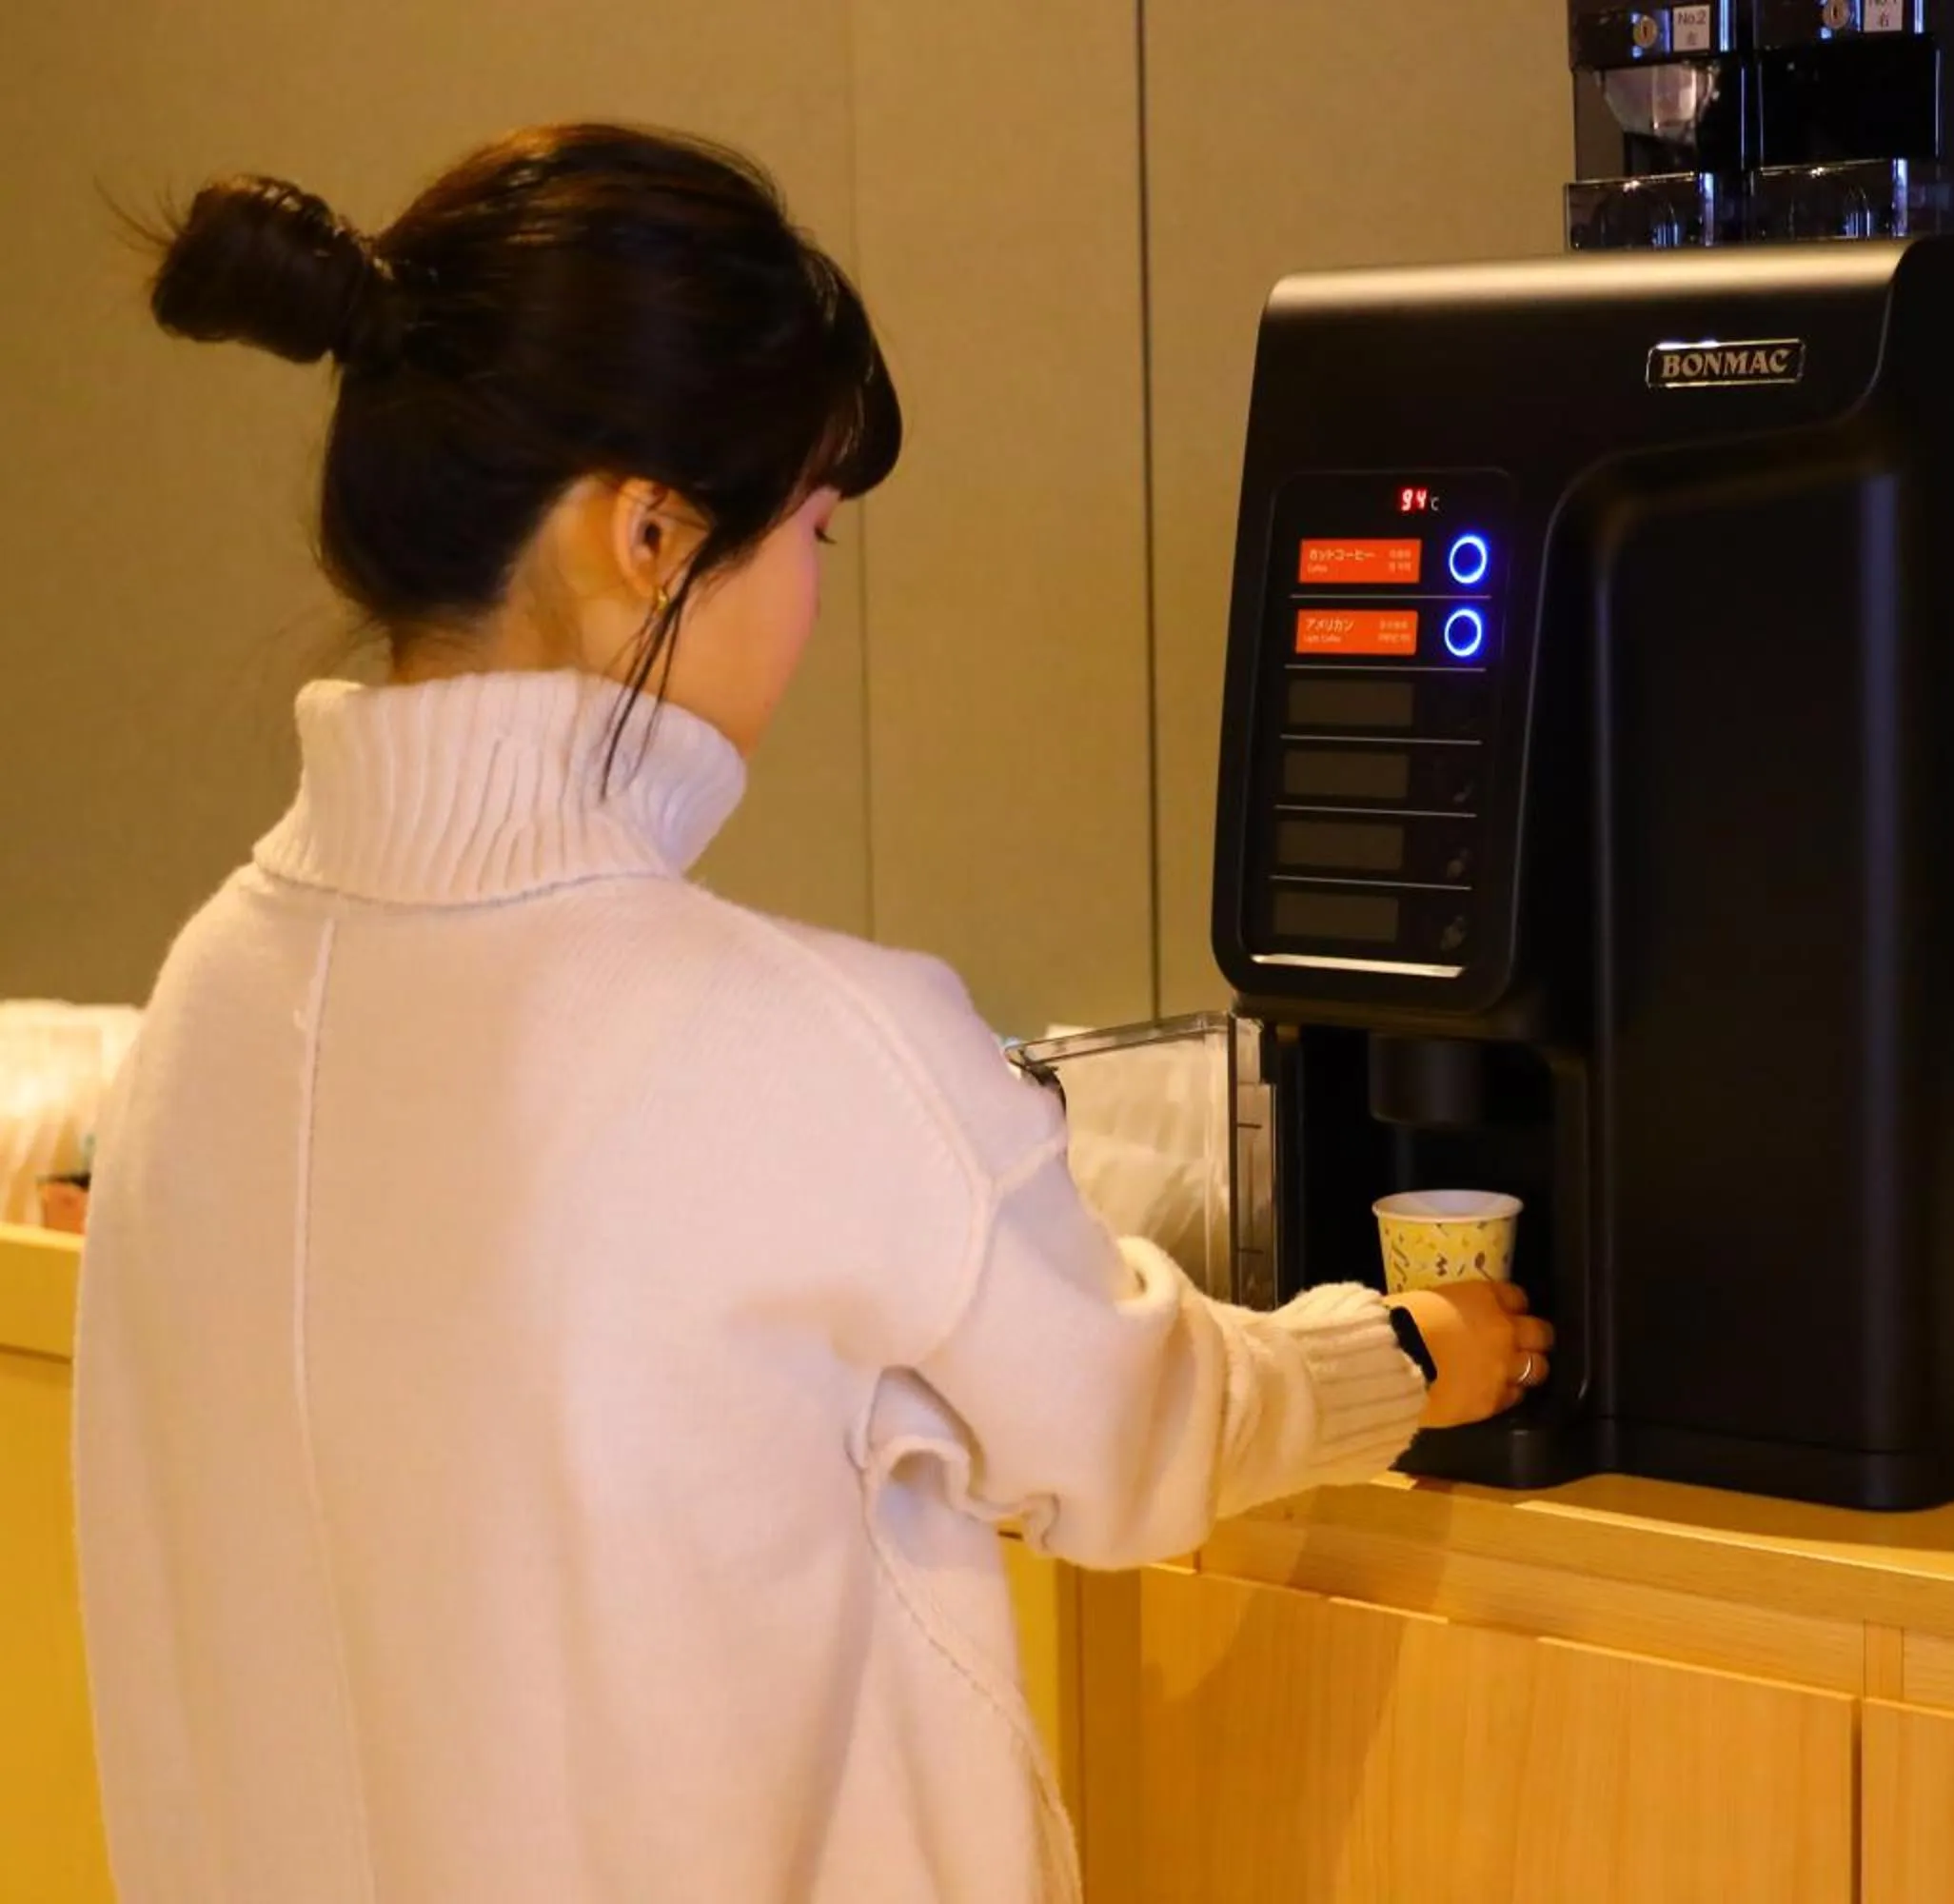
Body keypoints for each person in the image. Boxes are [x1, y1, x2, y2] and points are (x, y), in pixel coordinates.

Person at [72, 123, 1550, 1903]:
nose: (815, 598)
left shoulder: (202, 1009)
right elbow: (1133, 1432)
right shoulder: (801, 1048)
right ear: (647, 528)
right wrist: (1392, 1355)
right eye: (817, 528)